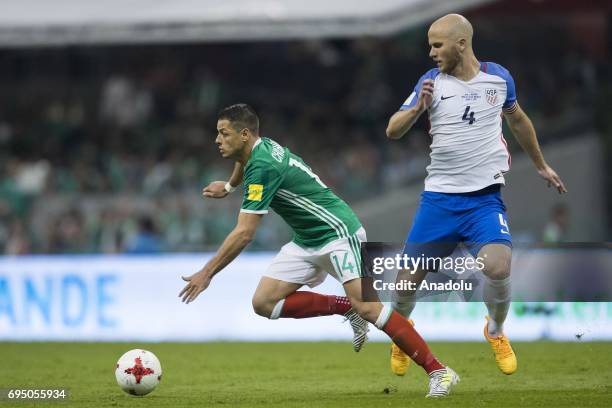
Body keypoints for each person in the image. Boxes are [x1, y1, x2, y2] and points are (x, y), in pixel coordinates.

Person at [180, 104, 459, 397]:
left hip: (339, 233)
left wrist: (207, 272)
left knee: (370, 308)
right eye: (218, 134)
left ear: (245, 134)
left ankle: (439, 371)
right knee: (264, 302)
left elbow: (245, 232)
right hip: (306, 239)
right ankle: (347, 307)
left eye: (223, 134)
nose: (217, 140)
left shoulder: (264, 166)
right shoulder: (256, 150)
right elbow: (242, 161)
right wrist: (229, 185)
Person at [385, 14, 567, 377]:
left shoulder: (498, 78)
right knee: (403, 289)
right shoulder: (429, 82)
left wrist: (541, 164)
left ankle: (495, 330)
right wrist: (417, 108)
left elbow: (518, 120)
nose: (431, 52)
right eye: (430, 45)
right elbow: (393, 130)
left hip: (483, 200)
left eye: (437, 45)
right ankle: (403, 337)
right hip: (438, 201)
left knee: (499, 266)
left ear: (461, 44)